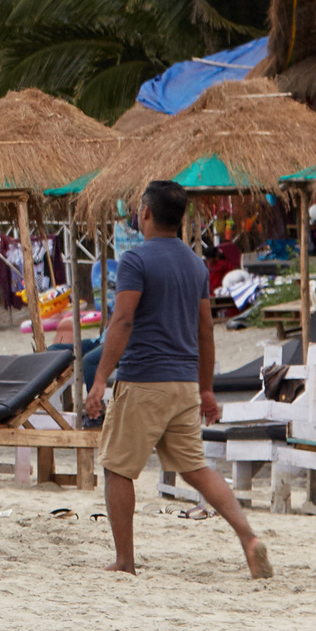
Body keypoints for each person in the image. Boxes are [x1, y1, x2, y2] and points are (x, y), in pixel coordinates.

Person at [83, 180, 272, 579]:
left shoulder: (135, 260)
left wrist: (100, 379)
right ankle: (248, 538)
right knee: (196, 469)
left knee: (117, 468)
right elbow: (206, 330)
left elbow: (123, 321)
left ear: (146, 213)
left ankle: (125, 561)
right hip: (185, 383)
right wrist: (206, 389)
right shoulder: (195, 265)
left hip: (143, 381)